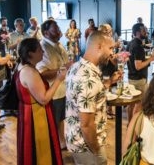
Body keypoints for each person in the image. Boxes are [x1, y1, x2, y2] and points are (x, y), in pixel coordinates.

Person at [65, 30, 122, 165]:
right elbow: (86, 125)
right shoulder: (88, 78)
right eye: (110, 48)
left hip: (77, 140)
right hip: (86, 146)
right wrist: (96, 150)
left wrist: (109, 82)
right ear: (99, 47)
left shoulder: (77, 66)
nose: (112, 53)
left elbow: (90, 96)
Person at [16, 38, 67, 165]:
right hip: (36, 116)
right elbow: (43, 99)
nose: (43, 52)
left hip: (28, 113)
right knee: (40, 150)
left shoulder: (23, 66)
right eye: (39, 50)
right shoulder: (29, 72)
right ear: (30, 54)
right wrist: (59, 79)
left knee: (32, 148)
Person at [36, 19, 71, 150]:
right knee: (52, 121)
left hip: (63, 90)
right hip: (52, 91)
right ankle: (51, 147)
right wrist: (64, 68)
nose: (59, 31)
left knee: (61, 118)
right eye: (55, 29)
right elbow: (42, 73)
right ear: (46, 32)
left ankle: (61, 142)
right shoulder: (43, 47)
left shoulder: (59, 45)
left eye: (58, 28)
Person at [126, 23, 154, 123]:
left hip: (131, 77)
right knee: (140, 104)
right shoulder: (138, 46)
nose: (146, 32)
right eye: (144, 30)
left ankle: (130, 124)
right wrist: (152, 58)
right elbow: (138, 66)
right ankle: (134, 126)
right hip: (139, 79)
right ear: (137, 32)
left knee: (131, 104)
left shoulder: (130, 43)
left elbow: (127, 58)